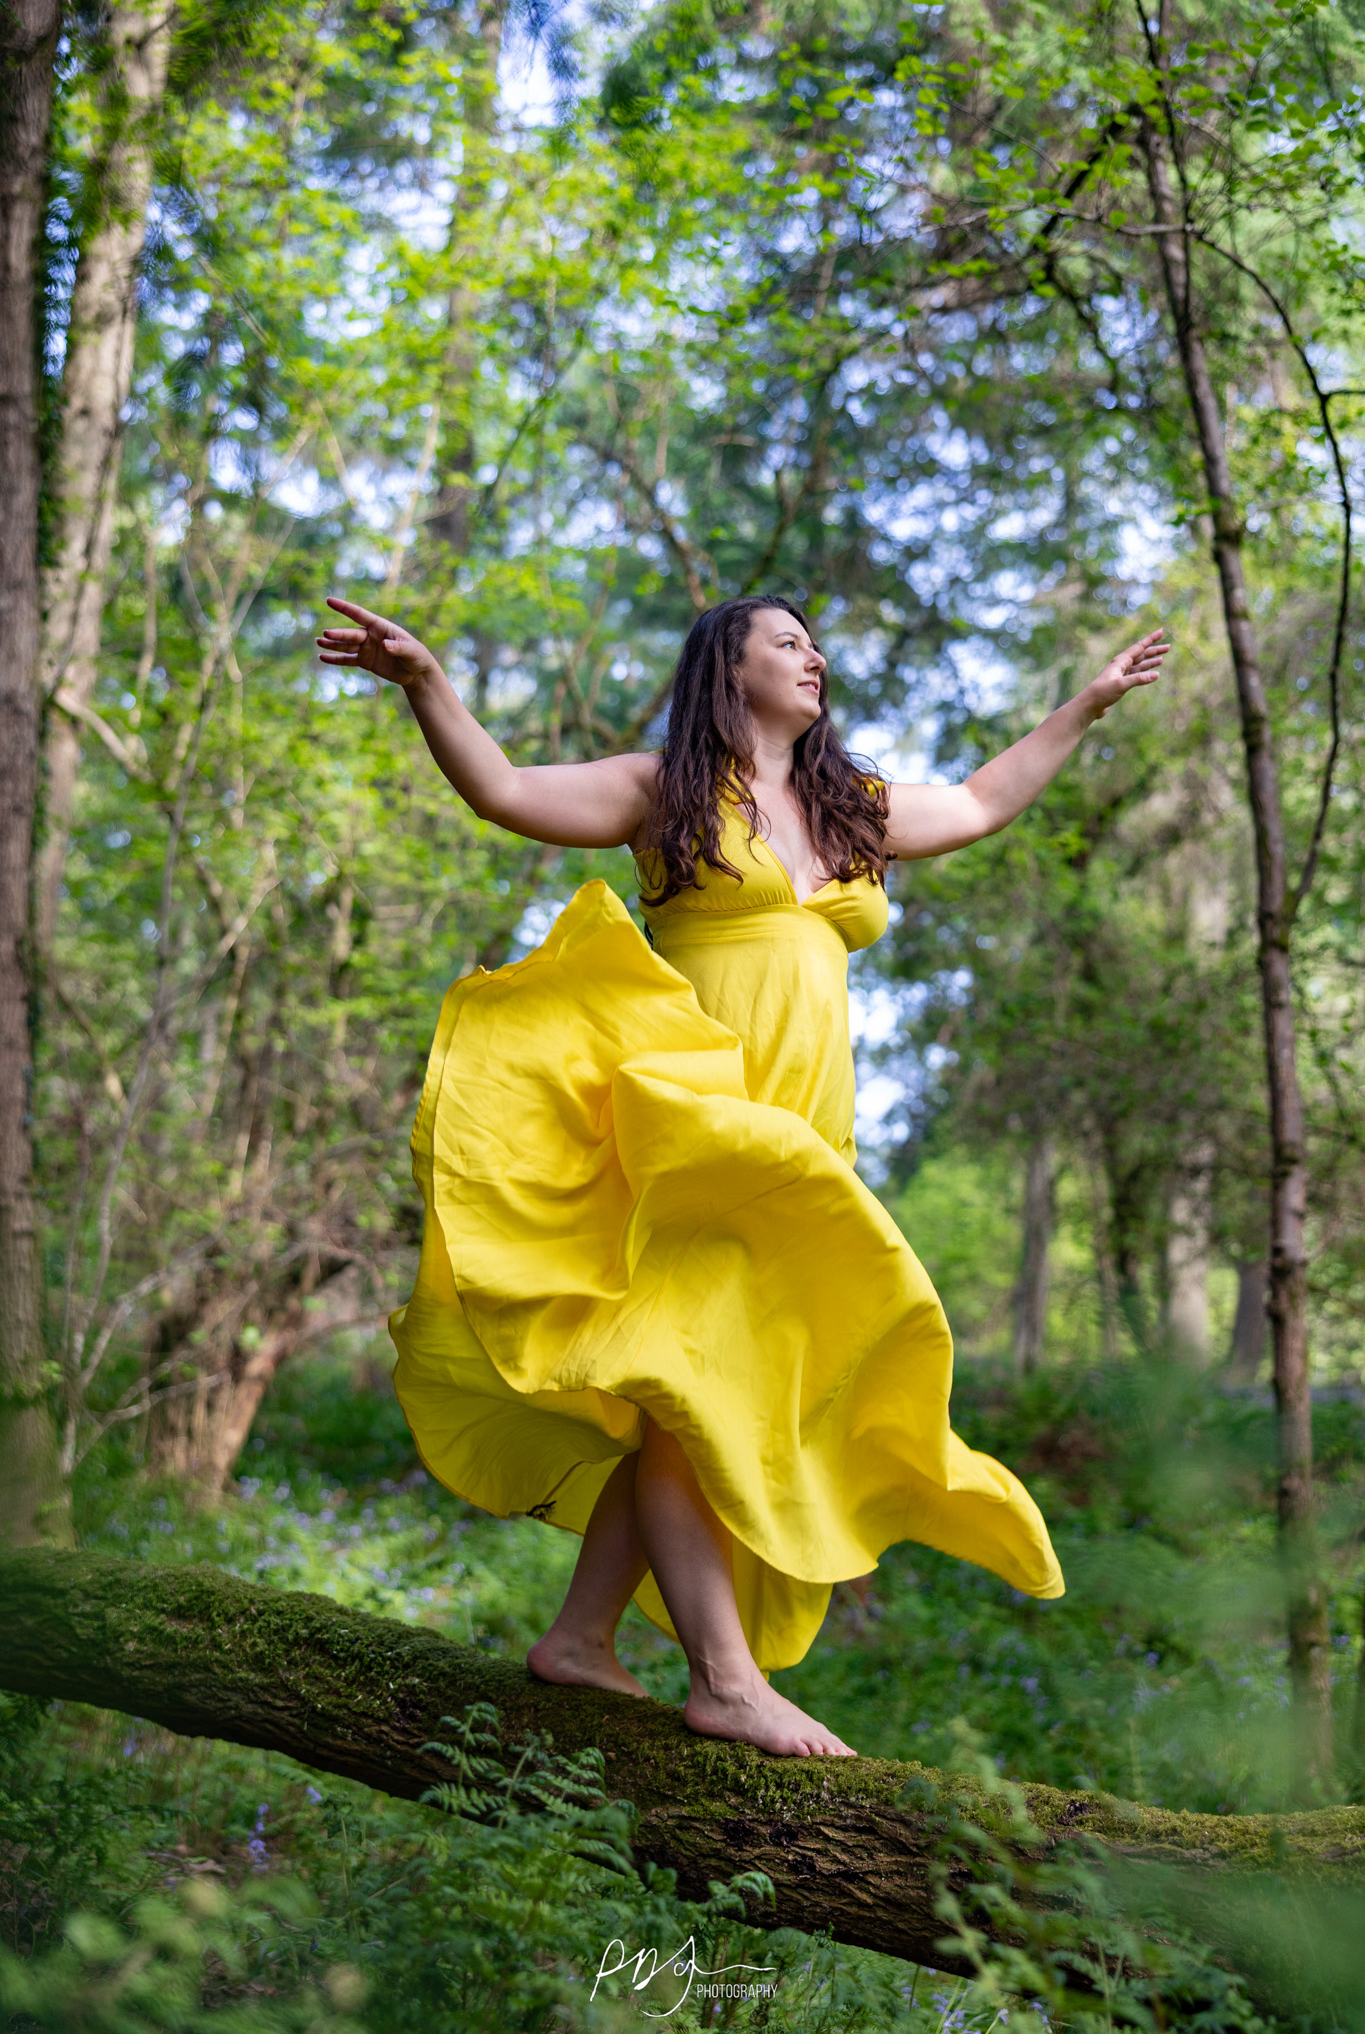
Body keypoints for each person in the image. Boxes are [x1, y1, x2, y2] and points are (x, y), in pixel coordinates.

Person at [317, 591, 1167, 1759]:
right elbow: (506, 789)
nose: (814, 656)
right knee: (697, 1386)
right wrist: (427, 686)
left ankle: (578, 1636)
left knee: (695, 1387)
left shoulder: (846, 805)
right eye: (787, 641)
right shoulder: (667, 786)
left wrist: (1087, 703)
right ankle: (726, 1676)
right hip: (700, 1132)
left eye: (817, 644)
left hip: (808, 1145)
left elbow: (975, 800)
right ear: (730, 663)